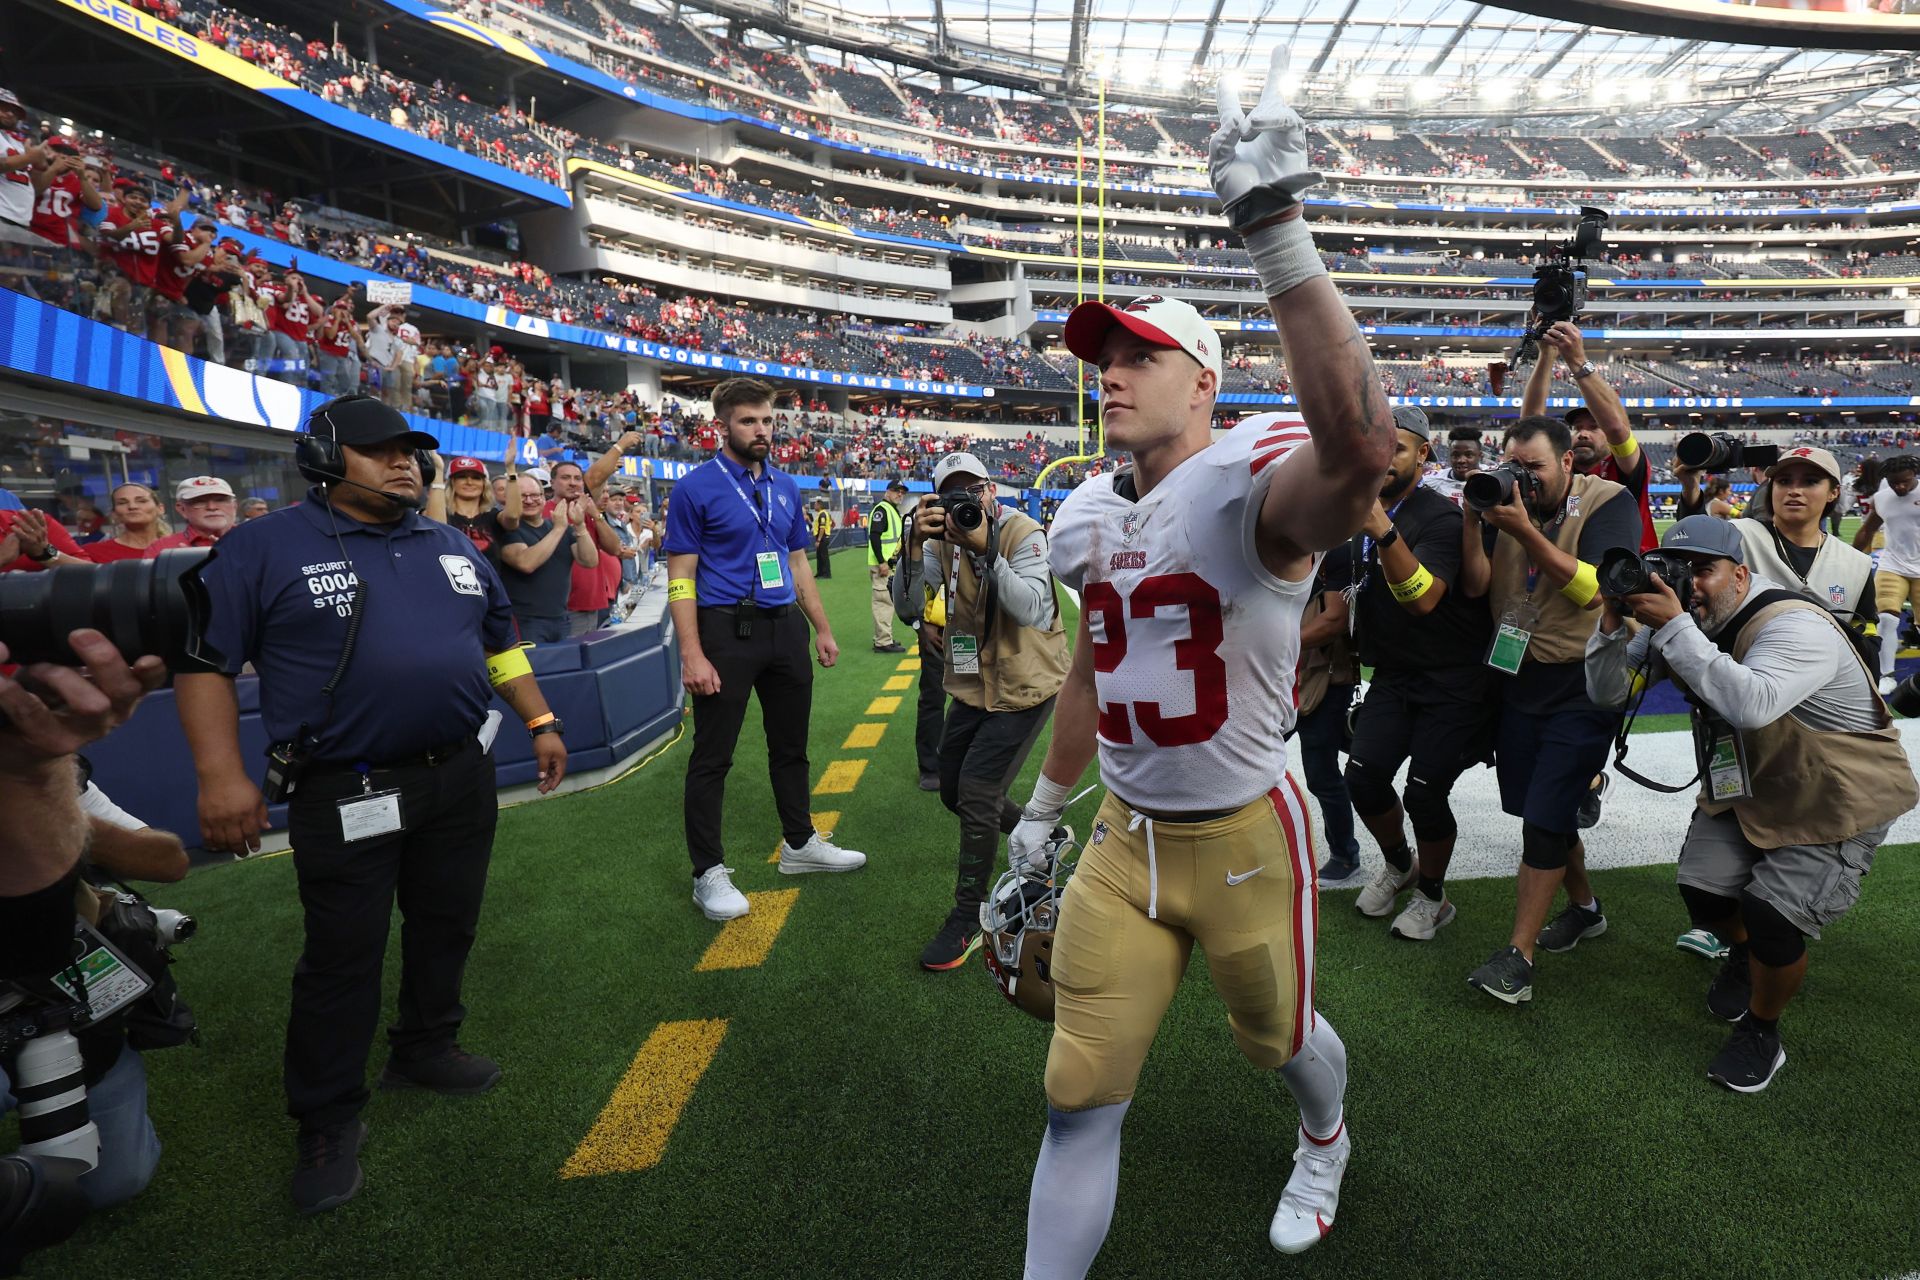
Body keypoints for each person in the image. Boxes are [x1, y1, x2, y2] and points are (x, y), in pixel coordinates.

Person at [1009, 55, 1397, 1272]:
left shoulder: (1247, 488)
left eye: (1137, 355)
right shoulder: (1085, 514)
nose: (1108, 372)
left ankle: (1324, 1133)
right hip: (1123, 840)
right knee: (1077, 1091)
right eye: (1099, 357)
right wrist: (1036, 810)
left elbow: (1362, 446)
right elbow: (1088, 673)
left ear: (1205, 383)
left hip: (1243, 831)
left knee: (1280, 1039)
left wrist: (1276, 232)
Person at [177, 394, 569, 1215]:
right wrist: (220, 778)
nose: (403, 463)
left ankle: (426, 1045)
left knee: (447, 921)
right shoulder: (261, 547)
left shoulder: (453, 543)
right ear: (323, 457)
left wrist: (539, 718)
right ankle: (325, 1115)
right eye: (377, 450)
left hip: (460, 774)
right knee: (342, 954)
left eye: (409, 451)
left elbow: (498, 643)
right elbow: (205, 665)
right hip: (347, 786)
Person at [1586, 516, 1917, 1091]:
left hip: (1832, 790)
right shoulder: (1685, 618)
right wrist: (1613, 624)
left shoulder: (1793, 623)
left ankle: (1763, 1030)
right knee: (1702, 891)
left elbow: (1753, 703)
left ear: (1740, 574)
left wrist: (1672, 629)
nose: (1689, 585)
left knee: (1772, 916)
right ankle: (1744, 957)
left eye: (1703, 572)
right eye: (1677, 570)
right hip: (1751, 777)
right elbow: (1607, 692)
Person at [1457, 415, 1642, 1005]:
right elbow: (1474, 585)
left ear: (1567, 462)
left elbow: (1599, 588)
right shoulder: (1504, 505)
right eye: (1516, 465)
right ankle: (1585, 908)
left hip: (1583, 683)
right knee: (1543, 810)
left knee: (1543, 816)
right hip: (1519, 677)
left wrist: (1524, 530)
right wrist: (1474, 522)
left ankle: (1518, 957)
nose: (1524, 478)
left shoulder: (1609, 501)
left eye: (1534, 467)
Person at [663, 378, 864, 922]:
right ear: (722, 425)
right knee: (713, 757)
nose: (761, 430)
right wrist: (691, 653)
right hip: (724, 630)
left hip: (784, 630)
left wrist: (820, 627)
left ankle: (800, 845)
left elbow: (798, 562)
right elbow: (679, 577)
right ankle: (707, 872)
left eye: (767, 420)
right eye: (749, 420)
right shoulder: (694, 488)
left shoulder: (784, 485)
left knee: (792, 747)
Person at [893, 451, 1069, 971]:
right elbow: (906, 610)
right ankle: (1045, 837)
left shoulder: (1023, 531)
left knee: (977, 794)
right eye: (953, 494)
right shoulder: (939, 541)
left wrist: (986, 548)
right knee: (952, 789)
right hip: (972, 684)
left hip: (1025, 683)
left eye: (973, 490)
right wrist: (913, 545)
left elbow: (1034, 609)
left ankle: (968, 916)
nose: (965, 503)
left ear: (992, 490)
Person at [1344, 407, 1495, 940]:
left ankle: (1433, 894)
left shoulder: (1438, 517)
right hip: (1393, 674)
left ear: (1423, 455)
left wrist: (1383, 532)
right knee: (1362, 777)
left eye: (1397, 448)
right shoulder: (1363, 509)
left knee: (1426, 794)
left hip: (1452, 679)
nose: (1383, 458)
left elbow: (1426, 599)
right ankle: (1400, 863)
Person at [1522, 321, 1657, 552]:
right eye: (1577, 428)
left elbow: (1617, 428)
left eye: (1594, 427)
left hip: (1627, 579)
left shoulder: (1623, 469)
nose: (1583, 433)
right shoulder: (1561, 469)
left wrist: (1578, 362)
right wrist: (1547, 355)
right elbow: (1529, 429)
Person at [1293, 549, 1361, 886]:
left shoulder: (1338, 556)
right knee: (1249, 762)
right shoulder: (1279, 549)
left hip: (1327, 680)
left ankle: (1344, 853)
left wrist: (1276, 642)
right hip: (1282, 677)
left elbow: (1334, 618)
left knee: (1321, 773)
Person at [499, 475, 599, 644]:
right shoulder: (505, 528)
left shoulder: (558, 527)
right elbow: (526, 563)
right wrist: (559, 528)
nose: (530, 501)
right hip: (524, 621)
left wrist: (580, 525)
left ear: (544, 497)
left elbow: (589, 561)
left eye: (535, 495)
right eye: (522, 496)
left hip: (561, 619)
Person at [1851, 453, 1920, 695]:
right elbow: (1868, 529)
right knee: (1887, 619)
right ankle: (1886, 674)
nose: (1900, 486)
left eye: (1906, 481)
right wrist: (1851, 556)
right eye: (1894, 482)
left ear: (1915, 476)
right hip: (1893, 563)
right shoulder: (1882, 498)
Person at [429, 455, 519, 568]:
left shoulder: (493, 517)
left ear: (484, 484)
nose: (469, 482)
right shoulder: (441, 514)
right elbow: (434, 529)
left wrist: (511, 470)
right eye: (462, 477)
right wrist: (438, 471)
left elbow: (513, 516)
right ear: (452, 482)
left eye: (476, 477)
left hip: (487, 584)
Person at [142, 476, 236, 555]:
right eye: (200, 502)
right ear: (182, 509)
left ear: (234, 506)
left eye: (220, 500)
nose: (211, 507)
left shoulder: (250, 540)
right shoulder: (163, 549)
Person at [867, 480, 908, 653]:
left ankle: (885, 638)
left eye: (902, 492)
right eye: (896, 491)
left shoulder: (890, 510)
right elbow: (874, 537)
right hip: (882, 565)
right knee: (883, 602)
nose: (900, 494)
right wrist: (882, 562)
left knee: (887, 602)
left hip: (889, 564)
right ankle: (883, 642)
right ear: (888, 492)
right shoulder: (882, 510)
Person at [83, 483, 167, 562]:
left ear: (160, 508)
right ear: (114, 514)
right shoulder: (92, 552)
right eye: (122, 503)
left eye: (141, 501)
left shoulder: (177, 547)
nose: (132, 506)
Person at [1422, 426, 1483, 507]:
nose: (1461, 460)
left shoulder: (1493, 478)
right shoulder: (1433, 480)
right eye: (1455, 455)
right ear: (1449, 456)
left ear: (1480, 456)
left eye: (1468, 455)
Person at [810, 498, 834, 579]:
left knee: (824, 556)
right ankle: (820, 573)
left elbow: (822, 528)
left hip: (822, 538)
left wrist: (819, 540)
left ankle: (826, 574)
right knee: (819, 556)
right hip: (822, 537)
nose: (814, 506)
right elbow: (832, 524)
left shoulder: (823, 514)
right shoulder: (822, 513)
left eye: (815, 504)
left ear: (819, 505)